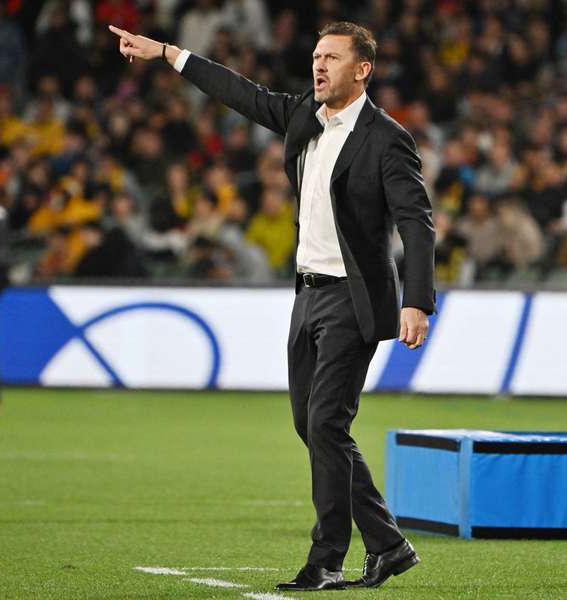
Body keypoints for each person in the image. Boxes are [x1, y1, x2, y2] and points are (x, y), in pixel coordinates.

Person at [110, 21, 435, 592]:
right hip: (306, 295)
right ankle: (388, 545)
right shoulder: (304, 116)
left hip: (351, 298)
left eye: (331, 58)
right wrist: (167, 54)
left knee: (327, 423)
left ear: (363, 70)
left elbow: (417, 222)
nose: (318, 66)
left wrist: (417, 302)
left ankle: (327, 558)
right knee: (313, 426)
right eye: (315, 56)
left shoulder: (387, 138)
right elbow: (240, 92)